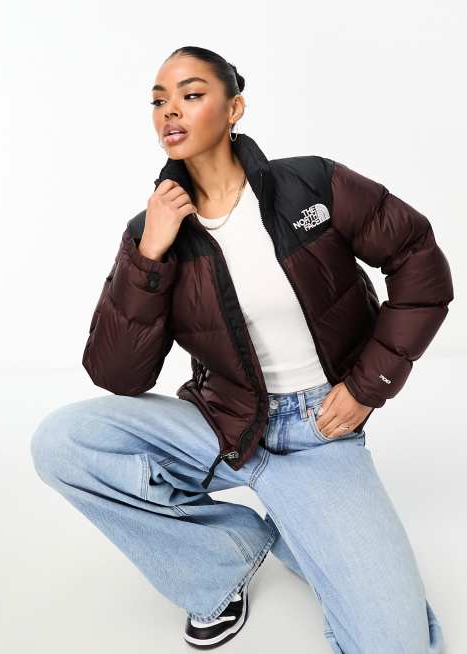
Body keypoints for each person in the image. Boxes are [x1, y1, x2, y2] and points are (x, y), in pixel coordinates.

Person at [30, 45, 452, 652]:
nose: (170, 110)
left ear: (234, 108)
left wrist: (368, 386)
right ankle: (223, 561)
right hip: (224, 424)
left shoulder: (310, 184)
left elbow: (418, 261)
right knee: (64, 441)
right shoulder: (151, 231)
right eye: (158, 100)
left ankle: (303, 523)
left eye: (191, 94)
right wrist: (149, 254)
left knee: (396, 643)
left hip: (321, 430)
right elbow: (119, 374)